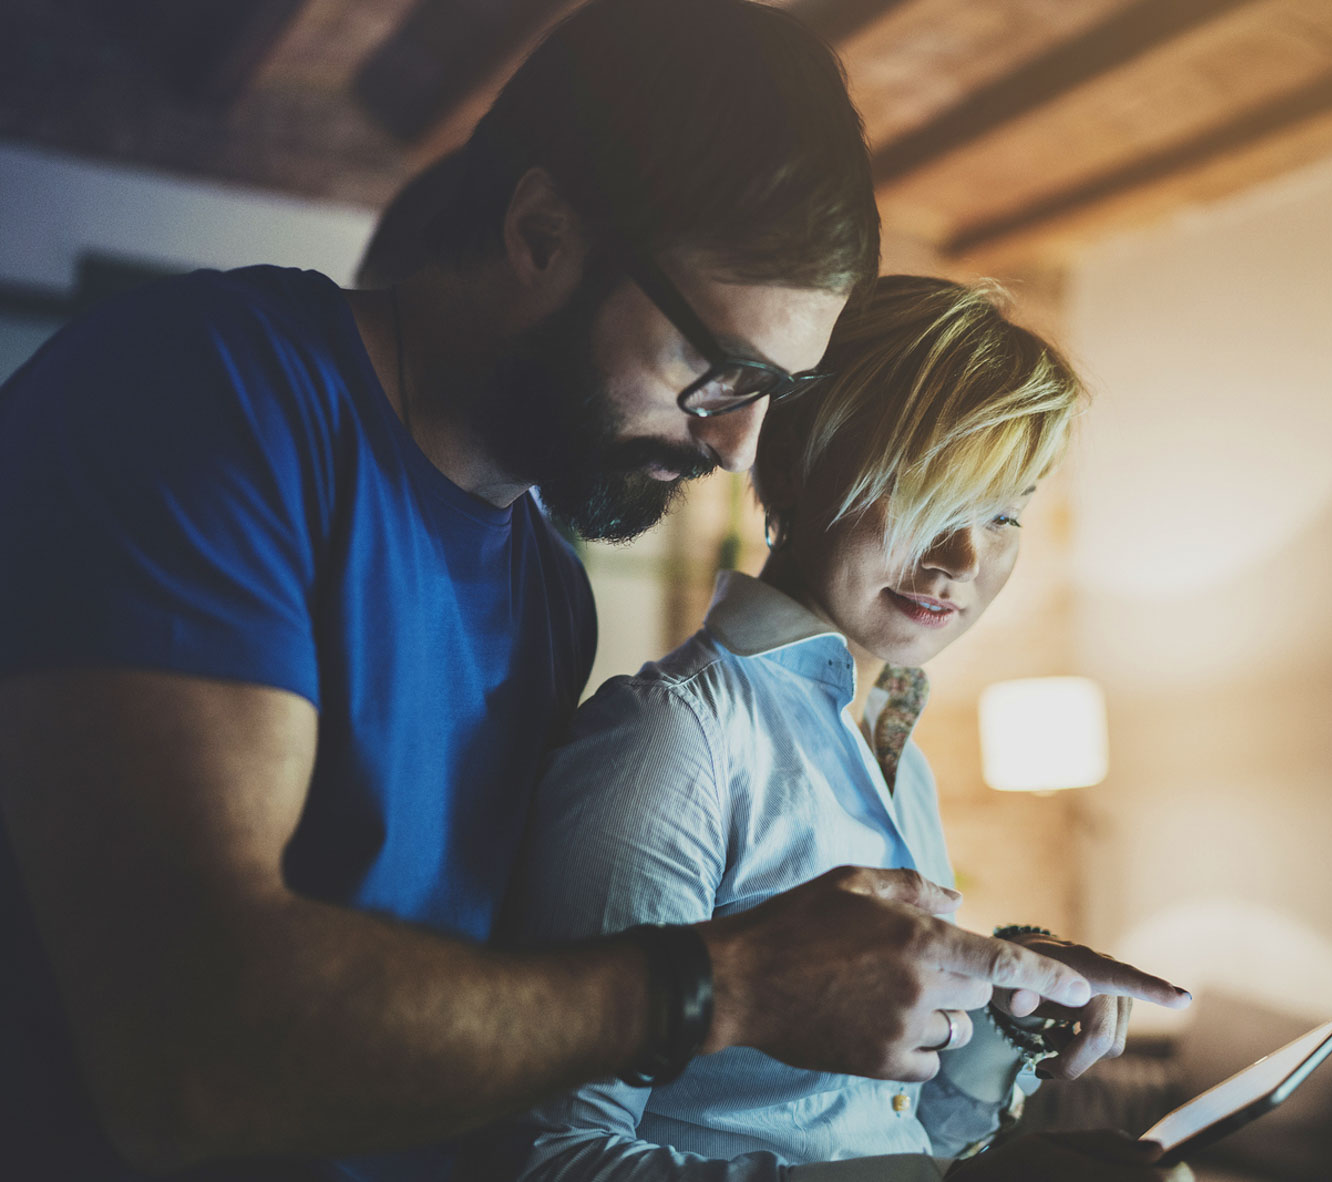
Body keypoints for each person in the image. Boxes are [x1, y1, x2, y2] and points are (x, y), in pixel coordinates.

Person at [0, 3, 1132, 1179]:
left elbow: (495, 1022)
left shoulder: (547, 582)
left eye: (776, 390)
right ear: (542, 232)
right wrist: (730, 983)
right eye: (719, 370)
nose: (743, 449)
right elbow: (191, 1056)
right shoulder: (208, 400)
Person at [505, 276, 1194, 1181]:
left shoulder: (896, 751)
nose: (962, 562)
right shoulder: (677, 740)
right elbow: (544, 1159)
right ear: (787, 464)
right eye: (929, 492)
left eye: (1002, 513)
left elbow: (903, 1142)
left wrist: (1008, 1014)